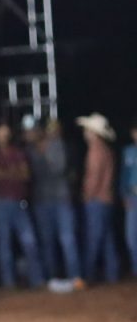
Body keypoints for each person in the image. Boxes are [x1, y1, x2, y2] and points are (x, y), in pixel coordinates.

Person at [22, 116, 83, 290]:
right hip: (41, 200)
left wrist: (43, 153)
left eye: (31, 131)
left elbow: (59, 168)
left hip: (61, 198)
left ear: (40, 131)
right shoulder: (29, 150)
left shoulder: (56, 144)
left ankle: (75, 276)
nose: (28, 134)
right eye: (27, 131)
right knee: (46, 241)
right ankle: (50, 278)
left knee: (67, 238)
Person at [0, 119, 44, 289]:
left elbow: (25, 175)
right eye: (1, 132)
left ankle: (36, 279)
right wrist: (14, 172)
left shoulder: (17, 152)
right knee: (5, 243)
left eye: (6, 131)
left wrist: (5, 173)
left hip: (17, 201)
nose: (5, 135)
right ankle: (8, 282)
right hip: (1, 202)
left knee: (29, 241)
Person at [77, 112, 120, 283]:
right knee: (107, 238)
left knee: (93, 238)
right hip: (107, 199)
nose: (85, 133)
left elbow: (93, 178)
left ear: (93, 132)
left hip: (96, 200)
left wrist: (86, 195)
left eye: (87, 130)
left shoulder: (95, 151)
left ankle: (87, 275)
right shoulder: (107, 150)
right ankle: (112, 273)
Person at [121, 118, 137, 276]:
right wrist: (124, 194)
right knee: (131, 238)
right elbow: (124, 176)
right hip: (133, 197)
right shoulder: (128, 152)